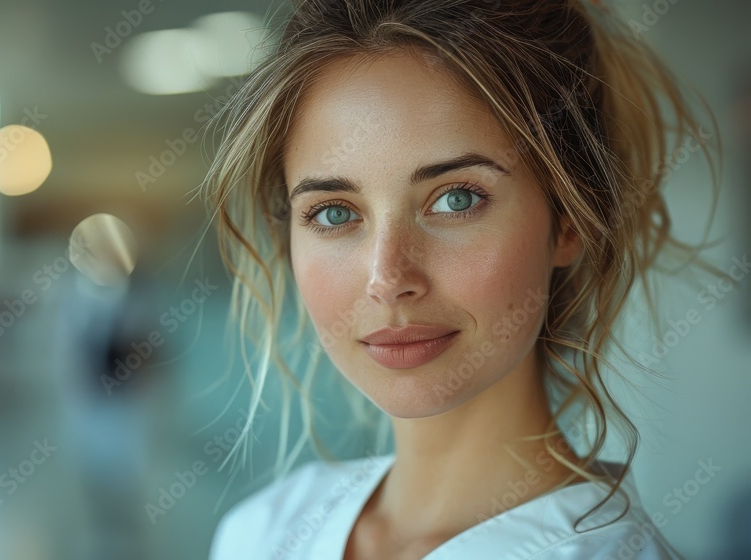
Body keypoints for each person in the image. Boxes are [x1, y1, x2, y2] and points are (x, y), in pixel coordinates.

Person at [199, 0, 721, 558]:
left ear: (570, 219)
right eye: (333, 212)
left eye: (456, 199)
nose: (387, 278)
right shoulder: (260, 534)